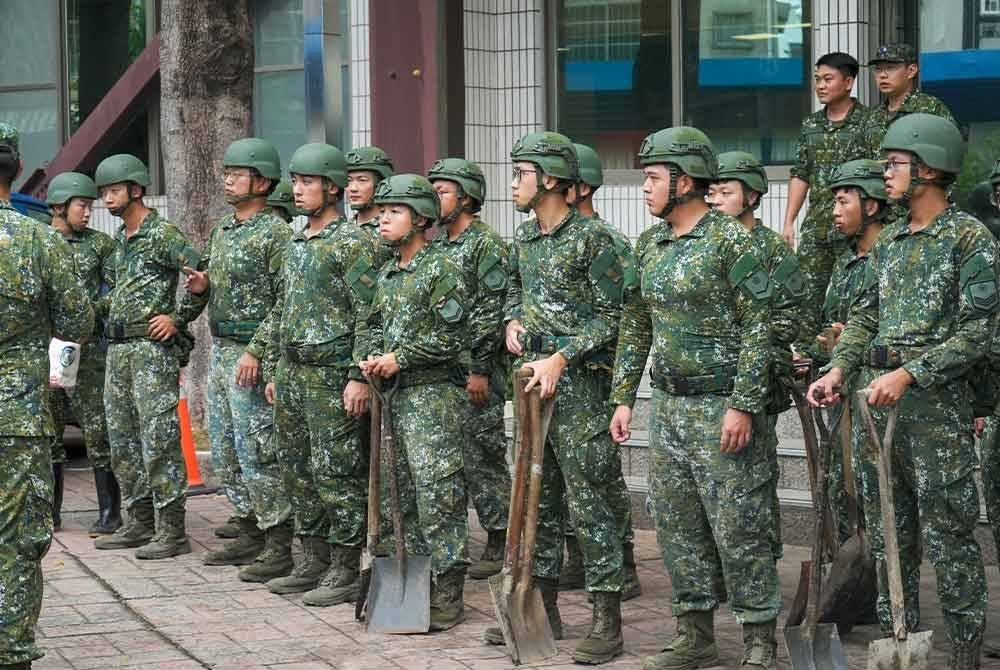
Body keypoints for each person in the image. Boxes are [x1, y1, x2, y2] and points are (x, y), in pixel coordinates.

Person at [809, 114, 994, 668]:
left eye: (894, 165)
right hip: (876, 405)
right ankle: (898, 634)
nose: (885, 174)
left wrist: (909, 374)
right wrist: (840, 368)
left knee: (950, 536)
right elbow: (864, 318)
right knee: (891, 533)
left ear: (930, 168)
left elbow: (979, 332)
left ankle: (963, 651)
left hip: (936, 410)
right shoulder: (889, 242)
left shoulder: (969, 239)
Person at [610, 127, 780, 670]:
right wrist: (623, 398)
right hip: (670, 408)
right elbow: (636, 325)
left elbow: (761, 326)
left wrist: (744, 404)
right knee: (677, 522)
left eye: (653, 178)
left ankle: (758, 637)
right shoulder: (649, 245)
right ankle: (694, 634)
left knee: (738, 524)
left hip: (721, 408)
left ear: (684, 183)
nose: (644, 188)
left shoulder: (731, 241)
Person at [487, 131, 629, 665]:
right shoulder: (524, 239)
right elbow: (512, 290)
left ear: (549, 179)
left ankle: (606, 622)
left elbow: (616, 316)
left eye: (521, 173)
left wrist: (563, 355)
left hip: (583, 391)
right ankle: (541, 611)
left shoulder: (597, 240)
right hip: (532, 388)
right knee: (537, 503)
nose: (514, 183)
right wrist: (513, 319)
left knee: (590, 506)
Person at [262, 143, 377, 606]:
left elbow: (371, 311)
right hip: (293, 372)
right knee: (297, 467)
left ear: (332, 187)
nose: (299, 190)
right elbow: (281, 309)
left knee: (338, 471)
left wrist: (358, 374)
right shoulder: (293, 242)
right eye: (295, 182)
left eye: (308, 182)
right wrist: (274, 366)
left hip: (332, 375)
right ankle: (312, 557)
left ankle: (346, 567)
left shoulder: (354, 243)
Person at [175, 138, 295, 582]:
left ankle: (278, 539)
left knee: (259, 448)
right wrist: (203, 287)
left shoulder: (277, 234)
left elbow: (287, 300)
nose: (227, 178)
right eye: (225, 171)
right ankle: (248, 524)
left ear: (261, 181)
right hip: (223, 350)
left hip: (254, 354)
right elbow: (209, 281)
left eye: (237, 172)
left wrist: (258, 352)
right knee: (227, 446)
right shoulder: (223, 229)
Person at [358, 174, 471, 631]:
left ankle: (448, 588)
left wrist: (399, 357)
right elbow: (368, 324)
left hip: (432, 396)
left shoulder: (441, 269)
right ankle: (408, 580)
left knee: (437, 492)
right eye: (381, 211)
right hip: (393, 396)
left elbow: (451, 334)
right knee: (395, 492)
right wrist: (366, 359)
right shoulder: (386, 273)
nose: (383, 219)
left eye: (395, 212)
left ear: (421, 218)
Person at [0, 122, 94, 670]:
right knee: (14, 539)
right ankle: (11, 652)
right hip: (19, 413)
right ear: (13, 173)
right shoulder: (40, 240)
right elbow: (77, 320)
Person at [93, 154, 200, 560]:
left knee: (159, 438)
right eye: (103, 191)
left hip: (150, 351)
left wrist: (177, 318)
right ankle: (139, 522)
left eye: (114, 190)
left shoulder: (161, 234)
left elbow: (201, 279)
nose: (107, 198)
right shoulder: (120, 239)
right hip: (118, 350)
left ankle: (172, 530)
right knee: (121, 439)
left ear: (136, 189)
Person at [708, 150, 803, 564]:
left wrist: (746, 344)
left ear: (751, 197)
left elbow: (790, 315)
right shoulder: (704, 244)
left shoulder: (771, 251)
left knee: (756, 477)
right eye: (711, 193)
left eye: (726, 192)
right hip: (709, 385)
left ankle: (763, 557)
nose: (715, 201)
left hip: (755, 382)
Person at [557, 142, 640, 601]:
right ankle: (578, 555)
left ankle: (621, 561)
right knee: (568, 478)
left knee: (598, 474)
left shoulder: (605, 239)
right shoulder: (549, 239)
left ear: (581, 187)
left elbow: (620, 315)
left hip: (594, 374)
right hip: (561, 377)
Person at [426, 158, 511, 580]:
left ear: (467, 197)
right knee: (453, 458)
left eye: (443, 191)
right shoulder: (438, 246)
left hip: (478, 372)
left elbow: (490, 311)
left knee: (484, 457)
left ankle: (499, 537)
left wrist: (479, 368)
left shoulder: (485, 244)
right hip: (443, 371)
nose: (435, 198)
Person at [806, 159, 891, 548]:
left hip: (878, 396)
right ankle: (854, 582)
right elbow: (831, 325)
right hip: (841, 394)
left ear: (871, 206)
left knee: (879, 493)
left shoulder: (892, 259)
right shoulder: (845, 262)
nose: (835, 212)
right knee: (843, 489)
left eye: (843, 202)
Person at [783, 52, 879, 353]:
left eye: (828, 79)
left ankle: (843, 359)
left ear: (848, 82)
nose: (820, 85)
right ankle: (806, 363)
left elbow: (879, 177)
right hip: (817, 227)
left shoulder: (868, 123)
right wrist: (789, 221)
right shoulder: (810, 125)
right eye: (817, 79)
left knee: (845, 298)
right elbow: (802, 174)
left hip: (853, 228)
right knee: (804, 296)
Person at [44, 171, 121, 535]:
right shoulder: (40, 240)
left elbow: (122, 287)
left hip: (88, 351)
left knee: (98, 430)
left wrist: (91, 310)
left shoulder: (101, 245)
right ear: (59, 205)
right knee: (50, 431)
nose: (89, 212)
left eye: (90, 206)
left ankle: (110, 512)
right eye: (82, 205)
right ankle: (50, 512)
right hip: (50, 349)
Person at [867, 43, 956, 140]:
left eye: (890, 68)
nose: (882, 75)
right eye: (878, 69)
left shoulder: (931, 109)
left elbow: (951, 149)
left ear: (911, 71)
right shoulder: (873, 116)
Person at [344, 146, 395, 268]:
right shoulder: (343, 230)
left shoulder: (393, 230)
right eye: (348, 181)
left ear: (379, 185)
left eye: (362, 180)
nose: (353, 188)